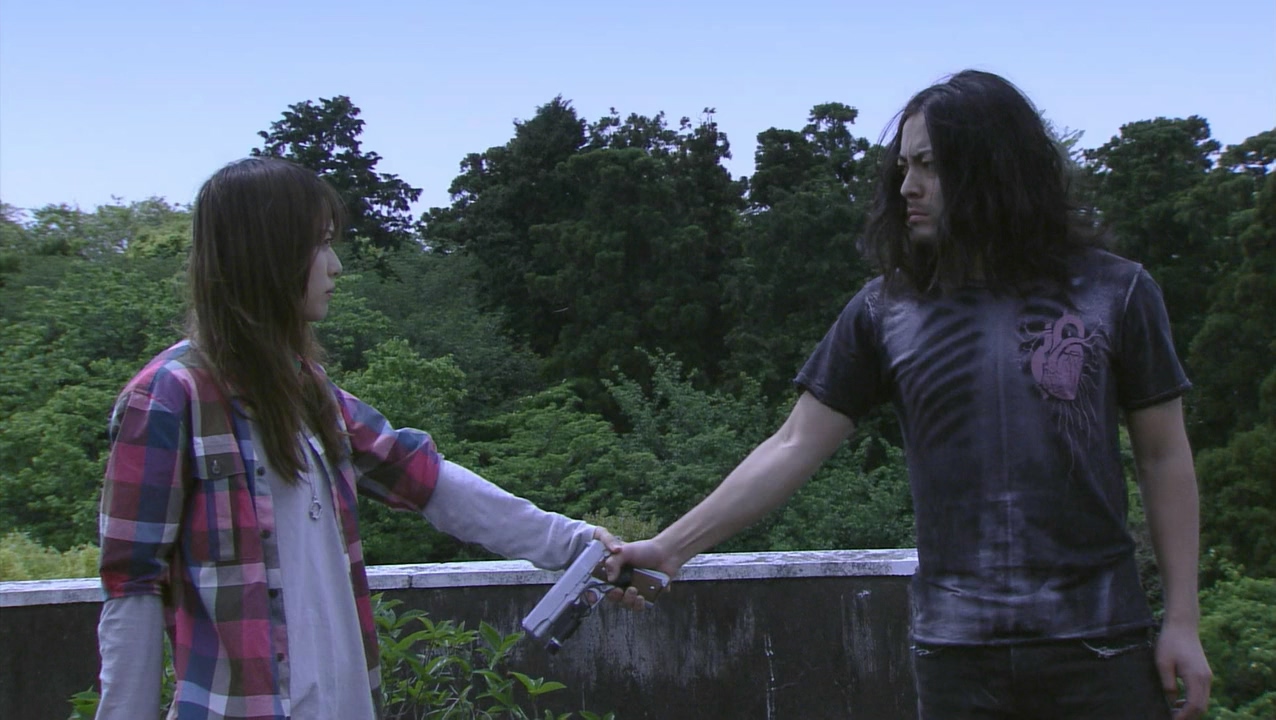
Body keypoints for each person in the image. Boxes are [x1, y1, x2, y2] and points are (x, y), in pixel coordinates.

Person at [609, 70, 1212, 719]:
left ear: (994, 167)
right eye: (903, 166)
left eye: (929, 165)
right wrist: (670, 548)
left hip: (1100, 643)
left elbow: (1163, 458)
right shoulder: (885, 310)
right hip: (958, 657)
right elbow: (792, 444)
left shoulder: (1114, 293)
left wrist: (1183, 621)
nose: (906, 187)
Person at [95, 157, 638, 720]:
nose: (335, 266)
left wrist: (579, 545)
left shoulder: (307, 389)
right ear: (268, 252)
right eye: (320, 244)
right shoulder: (167, 398)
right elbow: (132, 586)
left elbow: (425, 479)